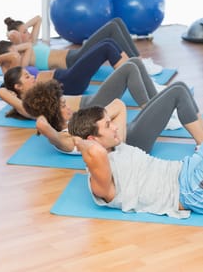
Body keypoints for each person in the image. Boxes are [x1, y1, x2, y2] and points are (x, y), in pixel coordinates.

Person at [67, 84, 203, 219]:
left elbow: (118, 105)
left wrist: (90, 121)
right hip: (188, 189)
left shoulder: (117, 145)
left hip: (186, 168)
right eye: (108, 125)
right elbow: (96, 152)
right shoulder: (101, 183)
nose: (115, 127)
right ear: (92, 139)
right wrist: (78, 140)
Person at [21, 72, 185, 154]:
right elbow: (43, 126)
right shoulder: (66, 139)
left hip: (126, 132)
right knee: (177, 90)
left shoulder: (71, 125)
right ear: (52, 114)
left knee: (174, 91)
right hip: (132, 144)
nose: (69, 107)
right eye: (63, 106)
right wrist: (43, 111)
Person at [0, 57, 160, 123]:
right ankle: (151, 112)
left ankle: (156, 101)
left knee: (133, 62)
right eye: (27, 77)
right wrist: (7, 89)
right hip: (91, 106)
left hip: (89, 100)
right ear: (17, 87)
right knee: (130, 67)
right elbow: (2, 91)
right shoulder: (27, 107)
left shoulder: (33, 96)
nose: (32, 77)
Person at [4, 16, 162, 75]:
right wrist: (13, 35)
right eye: (22, 33)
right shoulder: (23, 52)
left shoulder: (31, 43)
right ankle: (138, 63)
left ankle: (139, 60)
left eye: (26, 30)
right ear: (15, 38)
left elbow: (38, 19)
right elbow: (12, 43)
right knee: (112, 28)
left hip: (74, 54)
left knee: (117, 21)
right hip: (73, 61)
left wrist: (21, 29)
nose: (27, 33)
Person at [0, 39, 131, 95]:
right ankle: (132, 77)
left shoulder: (18, 68)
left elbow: (20, 50)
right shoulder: (12, 71)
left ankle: (134, 71)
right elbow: (14, 57)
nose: (17, 52)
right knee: (105, 47)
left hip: (66, 76)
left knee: (107, 42)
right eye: (13, 50)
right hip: (68, 82)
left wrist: (2, 57)